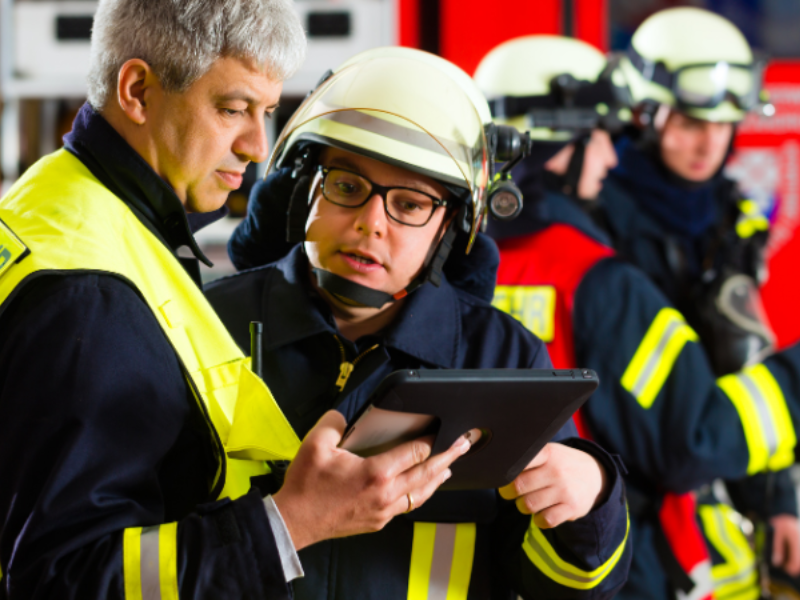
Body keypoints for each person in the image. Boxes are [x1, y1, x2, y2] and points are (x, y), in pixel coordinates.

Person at [0, 2, 473, 598]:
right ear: (138, 91)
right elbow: (58, 581)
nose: (256, 146)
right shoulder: (89, 295)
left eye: (267, 113)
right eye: (232, 109)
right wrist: (291, 523)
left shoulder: (63, 207)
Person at [205, 47, 631, 599]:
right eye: (346, 187)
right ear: (300, 191)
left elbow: (570, 588)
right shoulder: (204, 325)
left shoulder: (500, 358)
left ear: (451, 227)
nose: (371, 224)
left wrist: (592, 500)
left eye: (409, 204)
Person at [474, 28, 800, 600]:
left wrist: (775, 500)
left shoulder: (469, 260)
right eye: (601, 136)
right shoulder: (602, 279)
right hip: (615, 554)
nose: (610, 154)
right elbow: (689, 440)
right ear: (558, 145)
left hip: (512, 555)